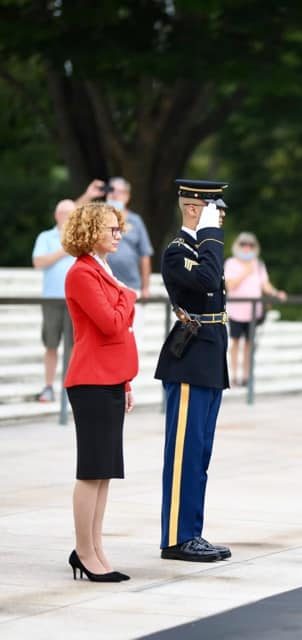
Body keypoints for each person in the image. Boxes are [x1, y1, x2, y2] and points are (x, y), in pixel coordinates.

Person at [154, 179, 232, 562]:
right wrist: (212, 235)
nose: (220, 219)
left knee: (199, 453)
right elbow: (204, 279)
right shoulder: (177, 251)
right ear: (192, 208)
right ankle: (176, 536)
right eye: (214, 210)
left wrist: (211, 237)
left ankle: (192, 533)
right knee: (184, 452)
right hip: (189, 359)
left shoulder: (199, 249)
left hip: (209, 355)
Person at [61, 202, 138, 582]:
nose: (117, 234)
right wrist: (129, 296)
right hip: (90, 381)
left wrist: (124, 381)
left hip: (109, 379)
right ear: (91, 232)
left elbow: (117, 328)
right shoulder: (81, 274)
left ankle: (95, 547)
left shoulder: (102, 270)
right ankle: (84, 551)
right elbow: (110, 325)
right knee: (91, 471)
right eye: (111, 229)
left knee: (104, 472)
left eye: (118, 228)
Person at [225, 230, 287, 386]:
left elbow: (265, 284)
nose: (247, 248)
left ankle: (246, 376)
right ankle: (234, 375)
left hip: (253, 312)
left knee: (249, 344)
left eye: (250, 245)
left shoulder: (258, 264)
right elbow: (229, 285)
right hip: (236, 311)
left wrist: (276, 293)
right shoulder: (231, 263)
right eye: (243, 244)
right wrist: (245, 272)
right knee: (235, 342)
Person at [31, 199, 77, 402]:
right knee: (51, 343)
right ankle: (48, 386)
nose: (67, 217)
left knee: (74, 346)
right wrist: (63, 251)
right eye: (64, 212)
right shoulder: (45, 237)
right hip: (51, 298)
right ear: (57, 215)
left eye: (71, 213)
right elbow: (38, 262)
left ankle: (71, 388)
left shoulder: (81, 237)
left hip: (75, 300)